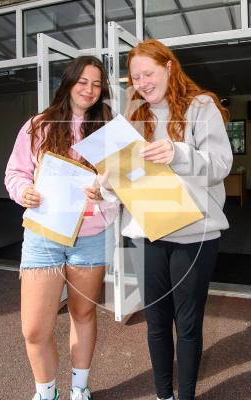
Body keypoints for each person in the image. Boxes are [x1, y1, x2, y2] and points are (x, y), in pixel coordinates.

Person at [121, 39, 233, 400]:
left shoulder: (202, 106)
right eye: (136, 76)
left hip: (193, 233)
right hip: (147, 231)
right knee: (155, 323)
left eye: (149, 73)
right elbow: (124, 173)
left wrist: (178, 153)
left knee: (186, 324)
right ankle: (162, 395)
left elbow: (220, 164)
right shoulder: (134, 115)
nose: (143, 82)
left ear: (169, 67)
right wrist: (105, 184)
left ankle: (184, 395)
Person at [5, 55, 119, 400]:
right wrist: (22, 191)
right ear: (68, 82)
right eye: (83, 81)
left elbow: (124, 187)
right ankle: (47, 392)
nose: (89, 89)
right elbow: (16, 173)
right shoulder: (38, 125)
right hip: (44, 236)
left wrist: (105, 193)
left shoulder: (108, 130)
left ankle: (80, 388)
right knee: (35, 328)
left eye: (97, 84)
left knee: (83, 314)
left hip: (90, 238)